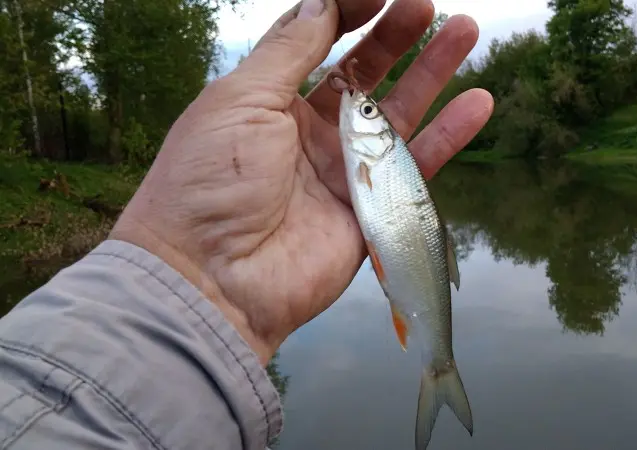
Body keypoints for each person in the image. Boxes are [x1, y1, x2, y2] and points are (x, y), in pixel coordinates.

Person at [0, 0, 493, 448]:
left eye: (365, 111)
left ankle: (439, 366)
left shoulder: (372, 158)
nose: (357, 109)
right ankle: (439, 368)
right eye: (368, 109)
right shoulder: (363, 155)